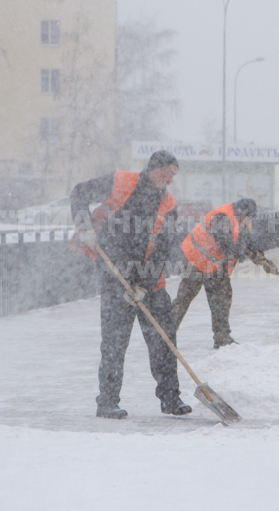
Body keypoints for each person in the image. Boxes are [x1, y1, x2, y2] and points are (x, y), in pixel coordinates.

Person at [69, 150, 191, 419]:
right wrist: (84, 228)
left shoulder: (168, 205)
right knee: (114, 342)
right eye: (168, 172)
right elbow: (78, 192)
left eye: (174, 174)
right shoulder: (120, 181)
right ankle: (108, 402)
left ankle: (170, 399)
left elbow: (163, 249)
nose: (171, 179)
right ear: (154, 168)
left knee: (164, 339)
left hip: (150, 281)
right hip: (116, 276)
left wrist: (145, 286)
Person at [171, 198, 276, 348]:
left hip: (214, 263)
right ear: (241, 212)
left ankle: (222, 337)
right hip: (197, 259)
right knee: (185, 297)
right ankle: (166, 333)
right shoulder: (222, 217)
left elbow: (246, 242)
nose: (249, 221)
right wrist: (249, 256)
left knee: (222, 297)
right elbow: (225, 244)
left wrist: (262, 259)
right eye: (249, 217)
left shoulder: (242, 221)